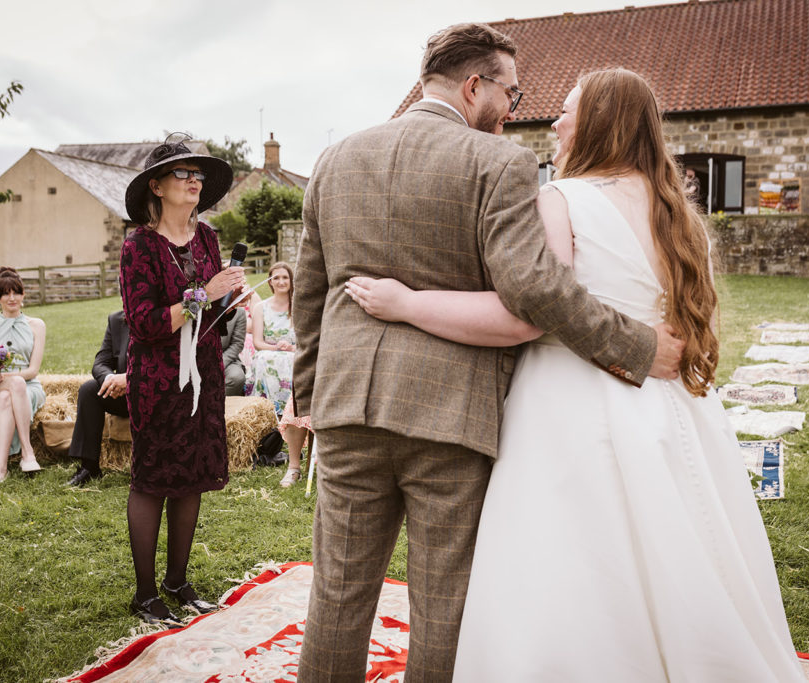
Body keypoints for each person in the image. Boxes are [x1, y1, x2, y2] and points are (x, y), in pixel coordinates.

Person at [347, 69, 808, 681]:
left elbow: (528, 314)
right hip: (674, 410)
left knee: (571, 563)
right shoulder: (676, 209)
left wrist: (406, 303)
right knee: (686, 553)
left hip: (571, 409)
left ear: (599, 123)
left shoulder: (562, 199)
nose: (557, 121)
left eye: (568, 110)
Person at [292, 24, 682, 681]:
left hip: (346, 408)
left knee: (336, 596)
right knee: (444, 605)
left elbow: (310, 297)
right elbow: (533, 286)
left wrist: (310, 394)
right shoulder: (496, 162)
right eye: (511, 92)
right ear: (474, 85)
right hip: (451, 416)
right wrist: (636, 346)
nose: (514, 108)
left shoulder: (335, 159)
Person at [120, 135, 244, 625]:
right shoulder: (139, 247)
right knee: (153, 481)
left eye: (198, 175)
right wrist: (203, 292)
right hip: (157, 379)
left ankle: (178, 581)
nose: (195, 181)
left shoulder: (208, 238)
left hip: (206, 374)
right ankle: (146, 592)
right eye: (183, 174)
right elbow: (145, 323)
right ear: (157, 185)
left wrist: (230, 299)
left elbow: (213, 310)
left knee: (191, 475)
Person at [0, 267, 47, 486]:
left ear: (23, 294)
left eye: (16, 292)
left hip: (28, 386)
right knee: (5, 393)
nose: (12, 298)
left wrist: (7, 375)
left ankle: (0, 469)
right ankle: (27, 453)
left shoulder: (37, 325)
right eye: (5, 293)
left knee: (12, 390)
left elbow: (33, 371)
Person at [249, 262, 307, 487]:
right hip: (269, 352)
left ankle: (291, 416)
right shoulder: (260, 307)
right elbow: (257, 342)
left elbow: (306, 340)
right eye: (276, 278)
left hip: (294, 352)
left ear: (292, 281)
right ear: (270, 281)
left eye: (285, 277)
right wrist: (277, 348)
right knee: (266, 359)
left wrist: (292, 348)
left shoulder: (299, 306)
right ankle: (272, 414)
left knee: (294, 361)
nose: (281, 282)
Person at [65, 310, 129, 487]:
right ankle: (89, 466)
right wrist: (110, 379)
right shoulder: (116, 320)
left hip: (155, 391)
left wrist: (129, 380)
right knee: (89, 390)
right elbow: (101, 362)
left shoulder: (163, 316)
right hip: (124, 394)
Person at [221, 307, 246, 396]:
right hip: (198, 357)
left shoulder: (239, 312)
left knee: (236, 377)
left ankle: (224, 407)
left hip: (226, 358)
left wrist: (219, 363)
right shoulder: (198, 305)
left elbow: (237, 344)